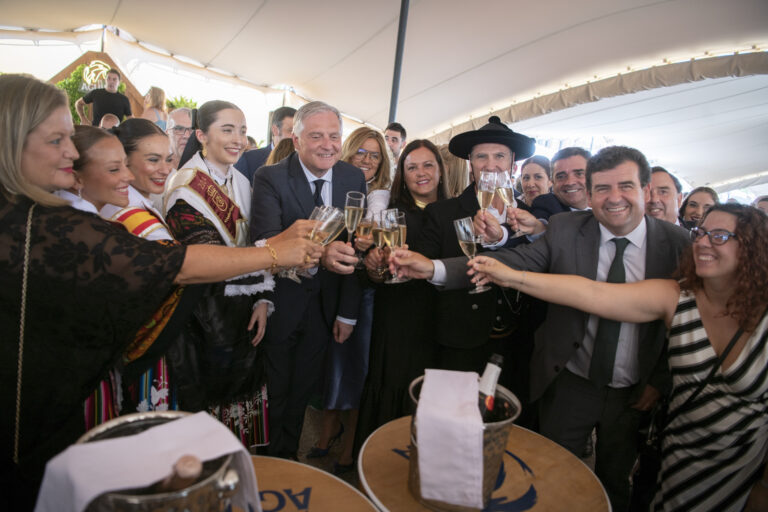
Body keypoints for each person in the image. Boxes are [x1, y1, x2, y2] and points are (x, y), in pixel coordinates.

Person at [0, 74, 321, 508]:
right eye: (57, 140)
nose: (71, 153)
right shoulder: (64, 223)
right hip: (42, 409)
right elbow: (178, 264)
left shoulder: (40, 211)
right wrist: (275, 252)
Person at [391, 146, 691, 511]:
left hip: (635, 391)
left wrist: (658, 380)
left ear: (646, 190)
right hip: (570, 382)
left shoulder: (678, 245)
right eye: (602, 189)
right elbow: (509, 260)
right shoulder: (566, 229)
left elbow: (687, 321)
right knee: (549, 472)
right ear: (590, 193)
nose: (614, 198)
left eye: (625, 186)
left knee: (615, 480)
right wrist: (433, 268)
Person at [468, 203, 768, 512]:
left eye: (719, 236)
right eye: (701, 233)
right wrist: (512, 276)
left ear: (753, 247)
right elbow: (593, 293)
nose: (703, 243)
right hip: (678, 458)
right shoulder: (677, 297)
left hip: (741, 470)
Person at [249, 101, 367, 461]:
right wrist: (321, 256)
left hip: (326, 307)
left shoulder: (352, 177)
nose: (327, 144)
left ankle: (288, 462)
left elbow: (354, 246)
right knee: (275, 391)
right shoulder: (270, 178)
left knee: (303, 392)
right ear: (296, 139)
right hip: (282, 303)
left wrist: (347, 313)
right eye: (316, 136)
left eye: (334, 136)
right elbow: (267, 241)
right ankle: (268, 463)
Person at [163, 100, 280, 449]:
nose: (239, 139)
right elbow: (205, 258)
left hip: (243, 311)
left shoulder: (243, 180)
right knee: (207, 399)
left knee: (241, 396)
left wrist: (262, 298)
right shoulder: (185, 188)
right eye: (227, 130)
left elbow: (256, 242)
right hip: (202, 315)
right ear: (201, 135)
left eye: (242, 131)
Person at [355, 139, 447, 450]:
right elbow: (375, 273)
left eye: (427, 165)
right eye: (412, 167)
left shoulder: (454, 210)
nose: (421, 173)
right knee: (391, 381)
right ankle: (382, 459)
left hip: (438, 316)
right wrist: (375, 266)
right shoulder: (389, 213)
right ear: (402, 175)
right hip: (396, 313)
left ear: (440, 170)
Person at [310, 127, 391, 473]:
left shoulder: (383, 196)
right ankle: (328, 430)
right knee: (333, 364)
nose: (367, 160)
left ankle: (348, 445)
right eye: (361, 152)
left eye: (374, 155)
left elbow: (376, 238)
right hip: (331, 288)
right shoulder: (336, 184)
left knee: (356, 367)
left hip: (365, 296)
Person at [236, 106, 296, 183]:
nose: (296, 136)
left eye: (298, 131)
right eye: (291, 131)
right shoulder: (249, 160)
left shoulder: (305, 160)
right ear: (275, 130)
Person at [529, 146, 591, 220]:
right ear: (552, 182)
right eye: (561, 176)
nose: (570, 182)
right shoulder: (547, 206)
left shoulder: (604, 203)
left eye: (579, 174)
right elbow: (540, 225)